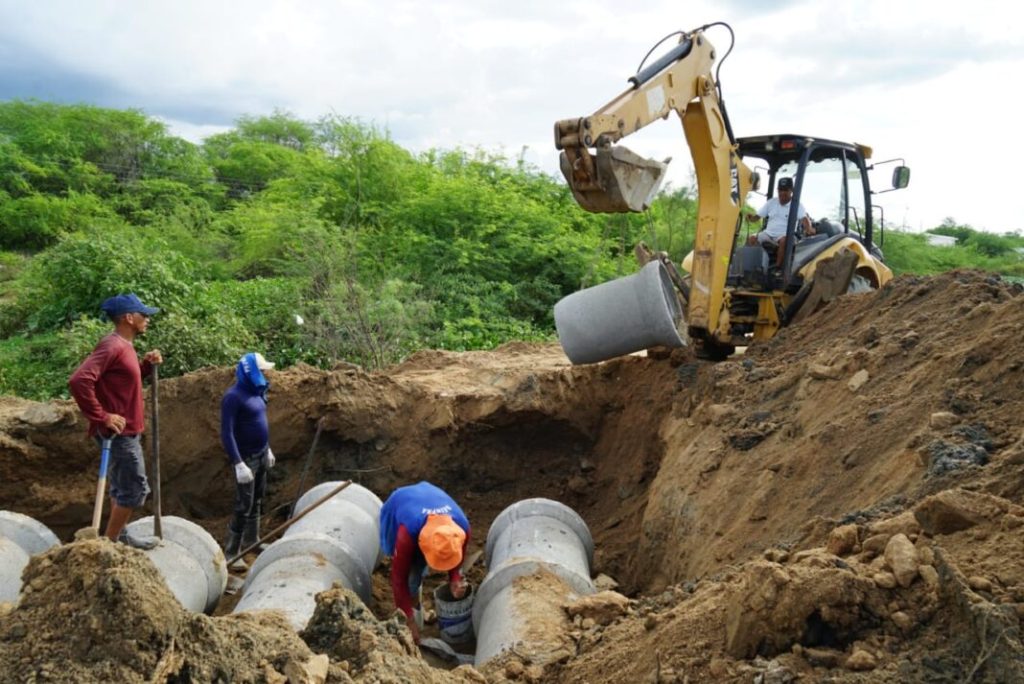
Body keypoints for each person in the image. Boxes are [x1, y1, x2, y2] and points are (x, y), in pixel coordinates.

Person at [69, 293, 163, 550]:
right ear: (128, 318)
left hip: (126, 430)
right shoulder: (112, 346)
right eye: (144, 315)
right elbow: (79, 380)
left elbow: (121, 380)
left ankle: (119, 535)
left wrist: (145, 366)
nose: (148, 320)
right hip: (117, 434)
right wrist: (102, 416)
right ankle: (109, 545)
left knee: (122, 486)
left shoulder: (125, 345)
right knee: (134, 490)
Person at [379, 481, 470, 642]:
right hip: (400, 503)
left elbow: (458, 556)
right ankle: (415, 609)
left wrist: (455, 578)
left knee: (415, 574)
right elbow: (398, 579)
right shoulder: (407, 534)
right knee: (411, 576)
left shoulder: (462, 529)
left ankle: (417, 607)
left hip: (428, 497)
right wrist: (408, 620)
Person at [220, 352, 277, 559]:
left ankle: (252, 540)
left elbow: (260, 423)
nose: (264, 374)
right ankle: (232, 553)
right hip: (246, 459)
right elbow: (227, 432)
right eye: (261, 370)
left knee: (257, 500)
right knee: (243, 505)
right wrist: (238, 463)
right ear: (250, 371)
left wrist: (267, 448)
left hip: (261, 453)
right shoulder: (233, 397)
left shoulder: (257, 391)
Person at [745, 176, 814, 269]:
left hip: (785, 235)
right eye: (780, 190)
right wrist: (751, 218)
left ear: (791, 191)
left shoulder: (796, 205)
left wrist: (808, 228)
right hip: (768, 234)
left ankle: (778, 269)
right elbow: (757, 217)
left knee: (784, 241)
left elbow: (804, 219)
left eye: (785, 190)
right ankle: (752, 268)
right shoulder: (771, 203)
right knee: (752, 238)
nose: (782, 193)